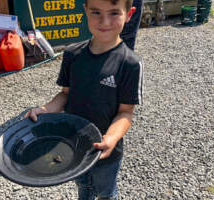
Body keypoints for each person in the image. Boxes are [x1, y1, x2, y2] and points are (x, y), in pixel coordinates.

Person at [25, 0, 144, 199]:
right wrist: (45, 110)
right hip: (74, 146)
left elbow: (126, 112)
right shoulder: (72, 54)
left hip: (106, 153)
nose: (104, 21)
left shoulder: (130, 64)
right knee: (83, 186)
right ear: (85, 11)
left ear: (129, 14)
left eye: (114, 13)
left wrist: (112, 138)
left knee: (106, 191)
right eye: (96, 12)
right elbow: (65, 94)